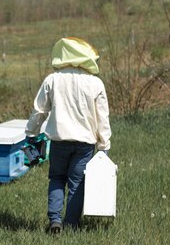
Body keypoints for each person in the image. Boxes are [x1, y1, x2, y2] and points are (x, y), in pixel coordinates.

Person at [25, 37, 111, 234]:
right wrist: (104, 145)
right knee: (77, 183)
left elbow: (39, 111)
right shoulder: (95, 83)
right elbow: (102, 117)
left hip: (59, 141)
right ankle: (71, 225)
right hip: (85, 144)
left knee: (57, 178)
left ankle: (55, 221)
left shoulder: (52, 79)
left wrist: (31, 133)